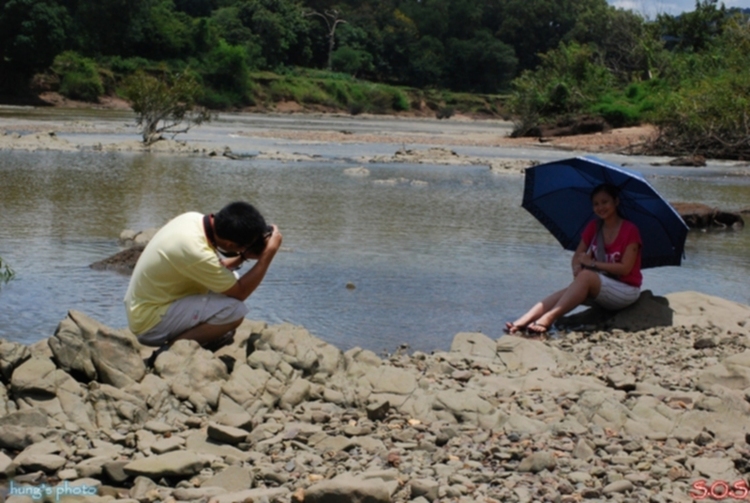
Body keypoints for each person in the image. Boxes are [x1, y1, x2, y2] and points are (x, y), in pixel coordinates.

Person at [124, 201, 282, 353]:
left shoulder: (193, 220)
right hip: (149, 324)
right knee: (234, 311)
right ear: (229, 245)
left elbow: (215, 267)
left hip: (148, 305)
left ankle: (196, 337)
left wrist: (243, 256)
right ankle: (171, 351)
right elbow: (241, 292)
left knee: (231, 277)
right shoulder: (195, 249)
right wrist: (267, 255)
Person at [505, 183, 642, 336]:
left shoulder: (630, 230)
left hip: (626, 290)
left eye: (605, 202)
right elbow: (577, 257)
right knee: (567, 290)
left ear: (616, 202)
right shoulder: (594, 227)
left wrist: (592, 264)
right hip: (600, 286)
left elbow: (625, 268)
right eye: (596, 204)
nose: (600, 207)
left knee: (586, 276)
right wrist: (577, 269)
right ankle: (523, 320)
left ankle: (548, 319)